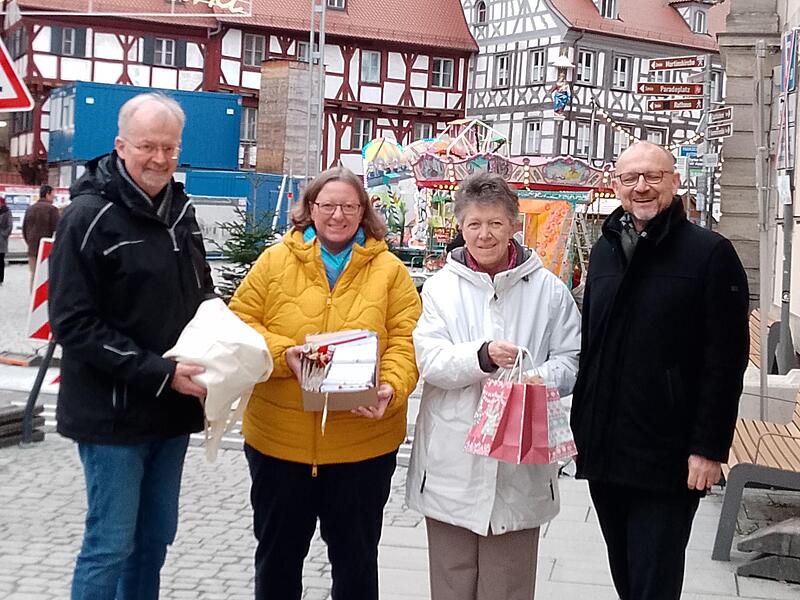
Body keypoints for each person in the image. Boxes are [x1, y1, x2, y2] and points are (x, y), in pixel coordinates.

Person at [48, 93, 215, 599]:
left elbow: (202, 294)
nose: (161, 159)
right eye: (148, 146)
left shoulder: (181, 212)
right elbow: (73, 324)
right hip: (111, 416)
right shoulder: (86, 217)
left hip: (172, 412)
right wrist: (160, 373)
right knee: (110, 544)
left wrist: (228, 348)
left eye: (170, 147)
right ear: (121, 146)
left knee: (154, 540)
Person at [228, 166, 421, 600]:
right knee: (277, 561)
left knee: (355, 566)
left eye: (349, 206)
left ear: (363, 212)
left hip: (361, 445)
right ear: (310, 208)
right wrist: (285, 355)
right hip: (280, 444)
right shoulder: (275, 261)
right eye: (328, 205)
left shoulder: (389, 271)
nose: (338, 215)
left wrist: (390, 388)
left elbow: (408, 340)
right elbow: (240, 321)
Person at [570, 141, 750, 600]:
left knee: (654, 583)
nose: (641, 187)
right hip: (606, 449)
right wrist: (581, 429)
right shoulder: (607, 251)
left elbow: (726, 361)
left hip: (669, 455)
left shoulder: (710, 254)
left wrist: (709, 448)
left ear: (675, 182)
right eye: (630, 178)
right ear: (616, 186)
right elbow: (593, 344)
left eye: (652, 176)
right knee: (626, 577)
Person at [406, 172, 581, 600]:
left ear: (514, 225)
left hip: (519, 463)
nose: (484, 235)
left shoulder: (549, 291)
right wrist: (481, 357)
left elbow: (571, 360)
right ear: (460, 227)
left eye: (495, 224)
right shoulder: (440, 289)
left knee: (508, 586)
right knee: (451, 581)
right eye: (474, 224)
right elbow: (430, 361)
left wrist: (537, 378)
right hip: (452, 460)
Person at [22, 183, 60, 288]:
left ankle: (33, 300)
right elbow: (58, 230)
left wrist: (30, 243)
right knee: (46, 277)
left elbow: (24, 230)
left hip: (32, 249)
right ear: (47, 194)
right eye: (53, 194)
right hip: (47, 250)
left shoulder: (30, 209)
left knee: (34, 276)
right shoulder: (52, 210)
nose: (54, 197)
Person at [0, 196, 11, 284]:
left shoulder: (7, 212)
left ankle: (0, 278)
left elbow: (10, 225)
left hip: (1, 239)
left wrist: (4, 234)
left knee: (0, 259)